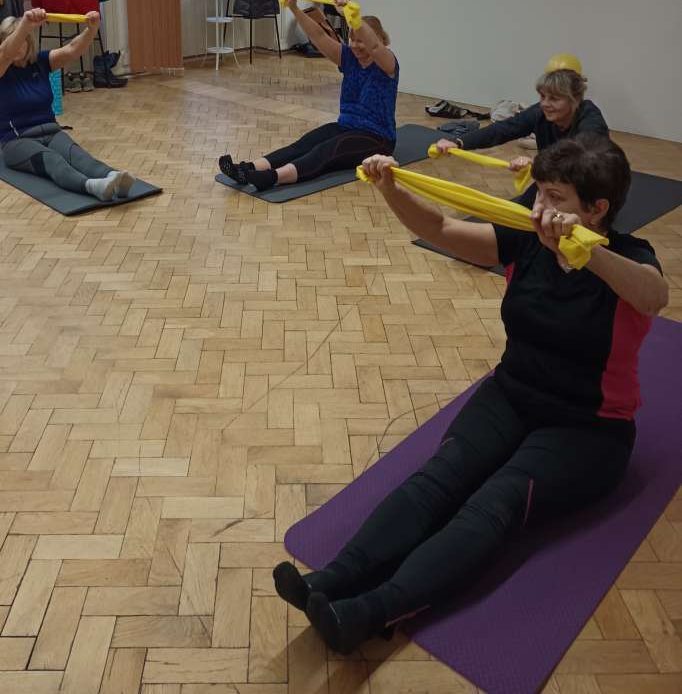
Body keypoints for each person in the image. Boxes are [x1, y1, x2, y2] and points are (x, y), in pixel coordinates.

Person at [273, 133, 667, 655]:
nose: (539, 206)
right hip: (512, 394)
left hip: (588, 427)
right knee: (441, 476)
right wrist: (390, 188)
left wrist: (585, 252)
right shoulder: (526, 237)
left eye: (555, 197)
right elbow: (440, 228)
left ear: (597, 209)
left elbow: (653, 296)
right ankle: (332, 578)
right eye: (539, 192)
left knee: (496, 501)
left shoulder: (630, 257)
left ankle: (372, 611)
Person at [219, 0, 398, 191]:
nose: (355, 45)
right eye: (352, 39)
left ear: (379, 40)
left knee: (326, 150)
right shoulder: (349, 57)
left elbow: (374, 47)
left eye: (360, 40)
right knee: (304, 144)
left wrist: (353, 17)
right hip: (346, 126)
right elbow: (318, 36)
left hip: (377, 138)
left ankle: (273, 177)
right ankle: (247, 169)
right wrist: (294, 8)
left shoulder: (387, 64)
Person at [0, 8, 136, 201]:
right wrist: (25, 23)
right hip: (17, 141)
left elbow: (72, 49)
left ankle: (112, 176)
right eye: (9, 39)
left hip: (51, 131)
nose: (16, 45)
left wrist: (91, 29)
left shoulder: (40, 62)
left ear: (29, 42)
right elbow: (7, 52)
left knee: (78, 155)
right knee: (53, 160)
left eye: (21, 39)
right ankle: (92, 187)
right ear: (1, 44)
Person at [435, 57, 608, 186]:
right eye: (542, 96)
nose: (545, 104)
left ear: (574, 100)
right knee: (519, 216)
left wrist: (538, 163)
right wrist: (459, 142)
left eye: (554, 99)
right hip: (554, 179)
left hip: (587, 186)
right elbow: (503, 129)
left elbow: (582, 155)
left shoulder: (590, 119)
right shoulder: (540, 112)